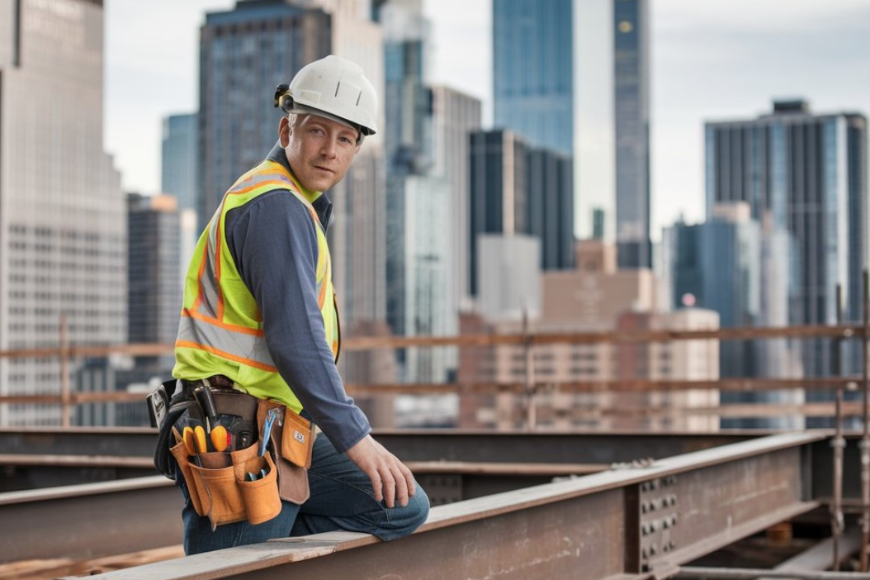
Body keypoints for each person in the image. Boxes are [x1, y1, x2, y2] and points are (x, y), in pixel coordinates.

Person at [170, 55, 429, 554]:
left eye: (346, 139)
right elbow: (295, 339)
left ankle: (277, 532)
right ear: (286, 128)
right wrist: (357, 437)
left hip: (271, 422)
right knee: (237, 568)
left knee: (401, 504)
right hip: (235, 426)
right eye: (317, 131)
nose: (330, 150)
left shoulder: (289, 203)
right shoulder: (275, 207)